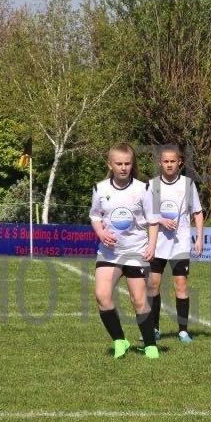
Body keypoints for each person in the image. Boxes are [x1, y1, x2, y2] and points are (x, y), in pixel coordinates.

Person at [89, 143, 160, 359]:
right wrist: (101, 233)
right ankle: (120, 340)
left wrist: (151, 246)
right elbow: (95, 216)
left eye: (127, 163)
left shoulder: (143, 189)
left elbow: (153, 221)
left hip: (136, 252)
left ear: (132, 164)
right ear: (110, 164)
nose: (123, 168)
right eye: (119, 163)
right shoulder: (100, 189)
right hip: (109, 253)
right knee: (102, 295)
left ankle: (150, 345)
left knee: (138, 300)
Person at [147, 145, 204, 343]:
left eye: (173, 161)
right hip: (157, 244)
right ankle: (154, 328)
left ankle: (183, 331)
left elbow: (197, 212)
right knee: (153, 285)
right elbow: (147, 214)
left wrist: (199, 237)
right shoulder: (153, 185)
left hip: (179, 245)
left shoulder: (188, 184)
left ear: (179, 162)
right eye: (166, 161)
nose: (169, 164)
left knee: (181, 285)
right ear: (160, 162)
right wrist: (161, 220)